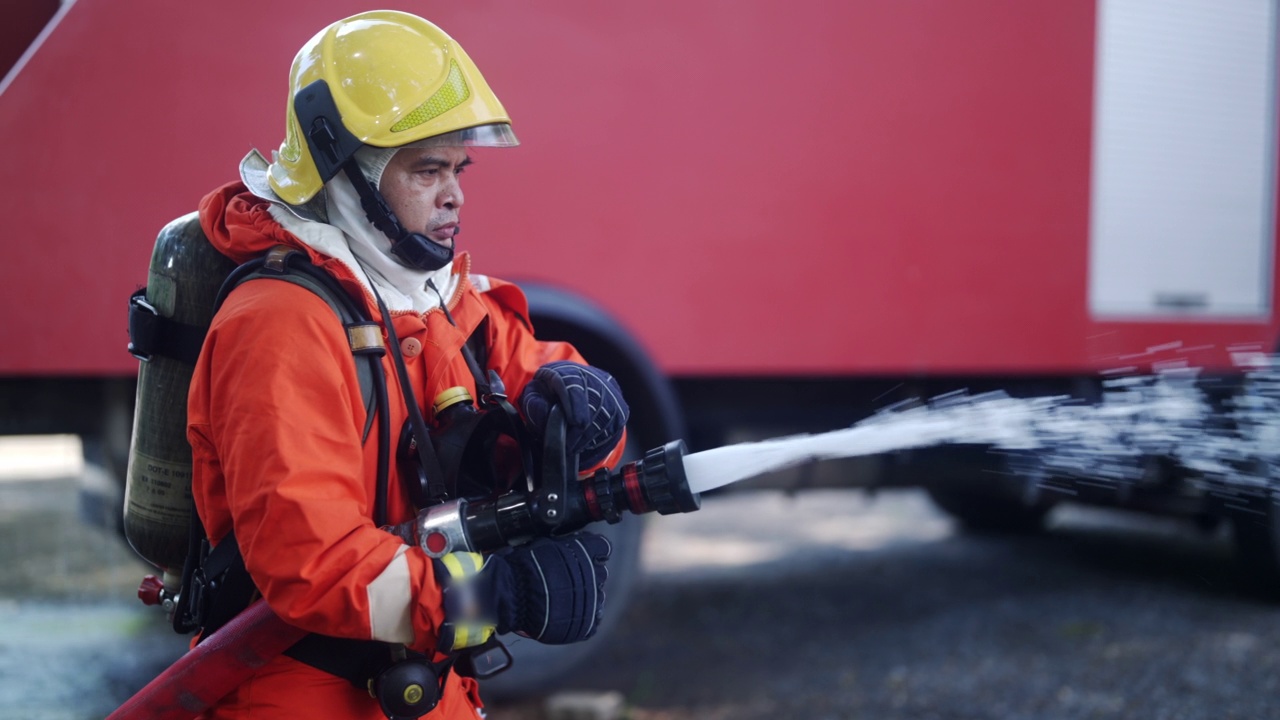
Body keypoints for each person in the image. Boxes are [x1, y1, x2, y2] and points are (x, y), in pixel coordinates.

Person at [185, 11, 629, 719]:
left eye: (458, 169)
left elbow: (536, 380)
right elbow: (312, 561)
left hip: (424, 690)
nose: (455, 194)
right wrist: (492, 597)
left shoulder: (434, 293)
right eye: (427, 170)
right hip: (304, 698)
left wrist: (589, 409)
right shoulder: (279, 325)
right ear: (347, 173)